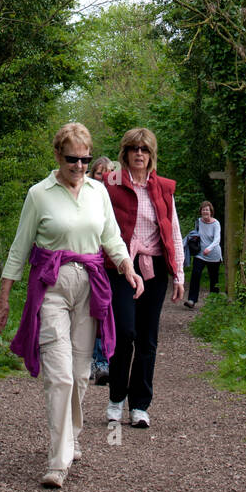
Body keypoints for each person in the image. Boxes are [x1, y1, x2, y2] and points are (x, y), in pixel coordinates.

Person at [0, 123, 143, 489]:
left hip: (90, 287)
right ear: (58, 156)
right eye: (72, 159)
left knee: (79, 374)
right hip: (51, 287)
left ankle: (72, 436)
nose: (79, 166)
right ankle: (57, 461)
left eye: (85, 159)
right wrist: (4, 299)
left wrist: (128, 268)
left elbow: (111, 237)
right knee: (58, 375)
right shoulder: (39, 194)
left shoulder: (97, 192)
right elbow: (19, 246)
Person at [103, 127, 184, 428]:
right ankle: (115, 398)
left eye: (145, 149)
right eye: (134, 149)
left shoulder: (163, 188)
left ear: (152, 155)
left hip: (155, 268)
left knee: (148, 339)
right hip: (120, 266)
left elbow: (173, 230)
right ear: (124, 153)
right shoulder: (109, 184)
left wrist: (179, 274)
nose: (139, 154)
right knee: (125, 334)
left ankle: (140, 405)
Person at [88, 157, 117, 384]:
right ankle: (91, 360)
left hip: (112, 264)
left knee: (106, 312)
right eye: (100, 173)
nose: (104, 178)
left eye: (108, 173)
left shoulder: (116, 199)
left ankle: (103, 361)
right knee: (90, 313)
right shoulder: (87, 197)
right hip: (91, 263)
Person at [184, 200, 222, 306]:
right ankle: (192, 300)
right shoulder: (198, 221)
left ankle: (214, 302)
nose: (205, 212)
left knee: (214, 278)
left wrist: (209, 248)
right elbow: (196, 233)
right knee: (195, 274)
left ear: (211, 212)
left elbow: (217, 239)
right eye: (203, 210)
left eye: (207, 210)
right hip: (200, 254)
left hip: (214, 255)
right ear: (201, 211)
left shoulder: (216, 224)